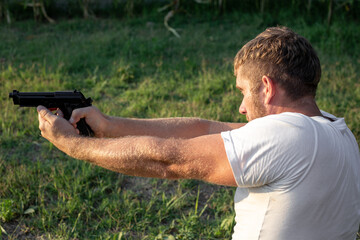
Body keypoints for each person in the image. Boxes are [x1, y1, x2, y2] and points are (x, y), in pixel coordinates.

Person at [37, 26, 360, 239]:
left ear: (266, 88)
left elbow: (168, 161)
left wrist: (72, 144)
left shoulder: (288, 137)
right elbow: (205, 129)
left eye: (243, 91)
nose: (241, 108)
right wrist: (109, 126)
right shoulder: (336, 132)